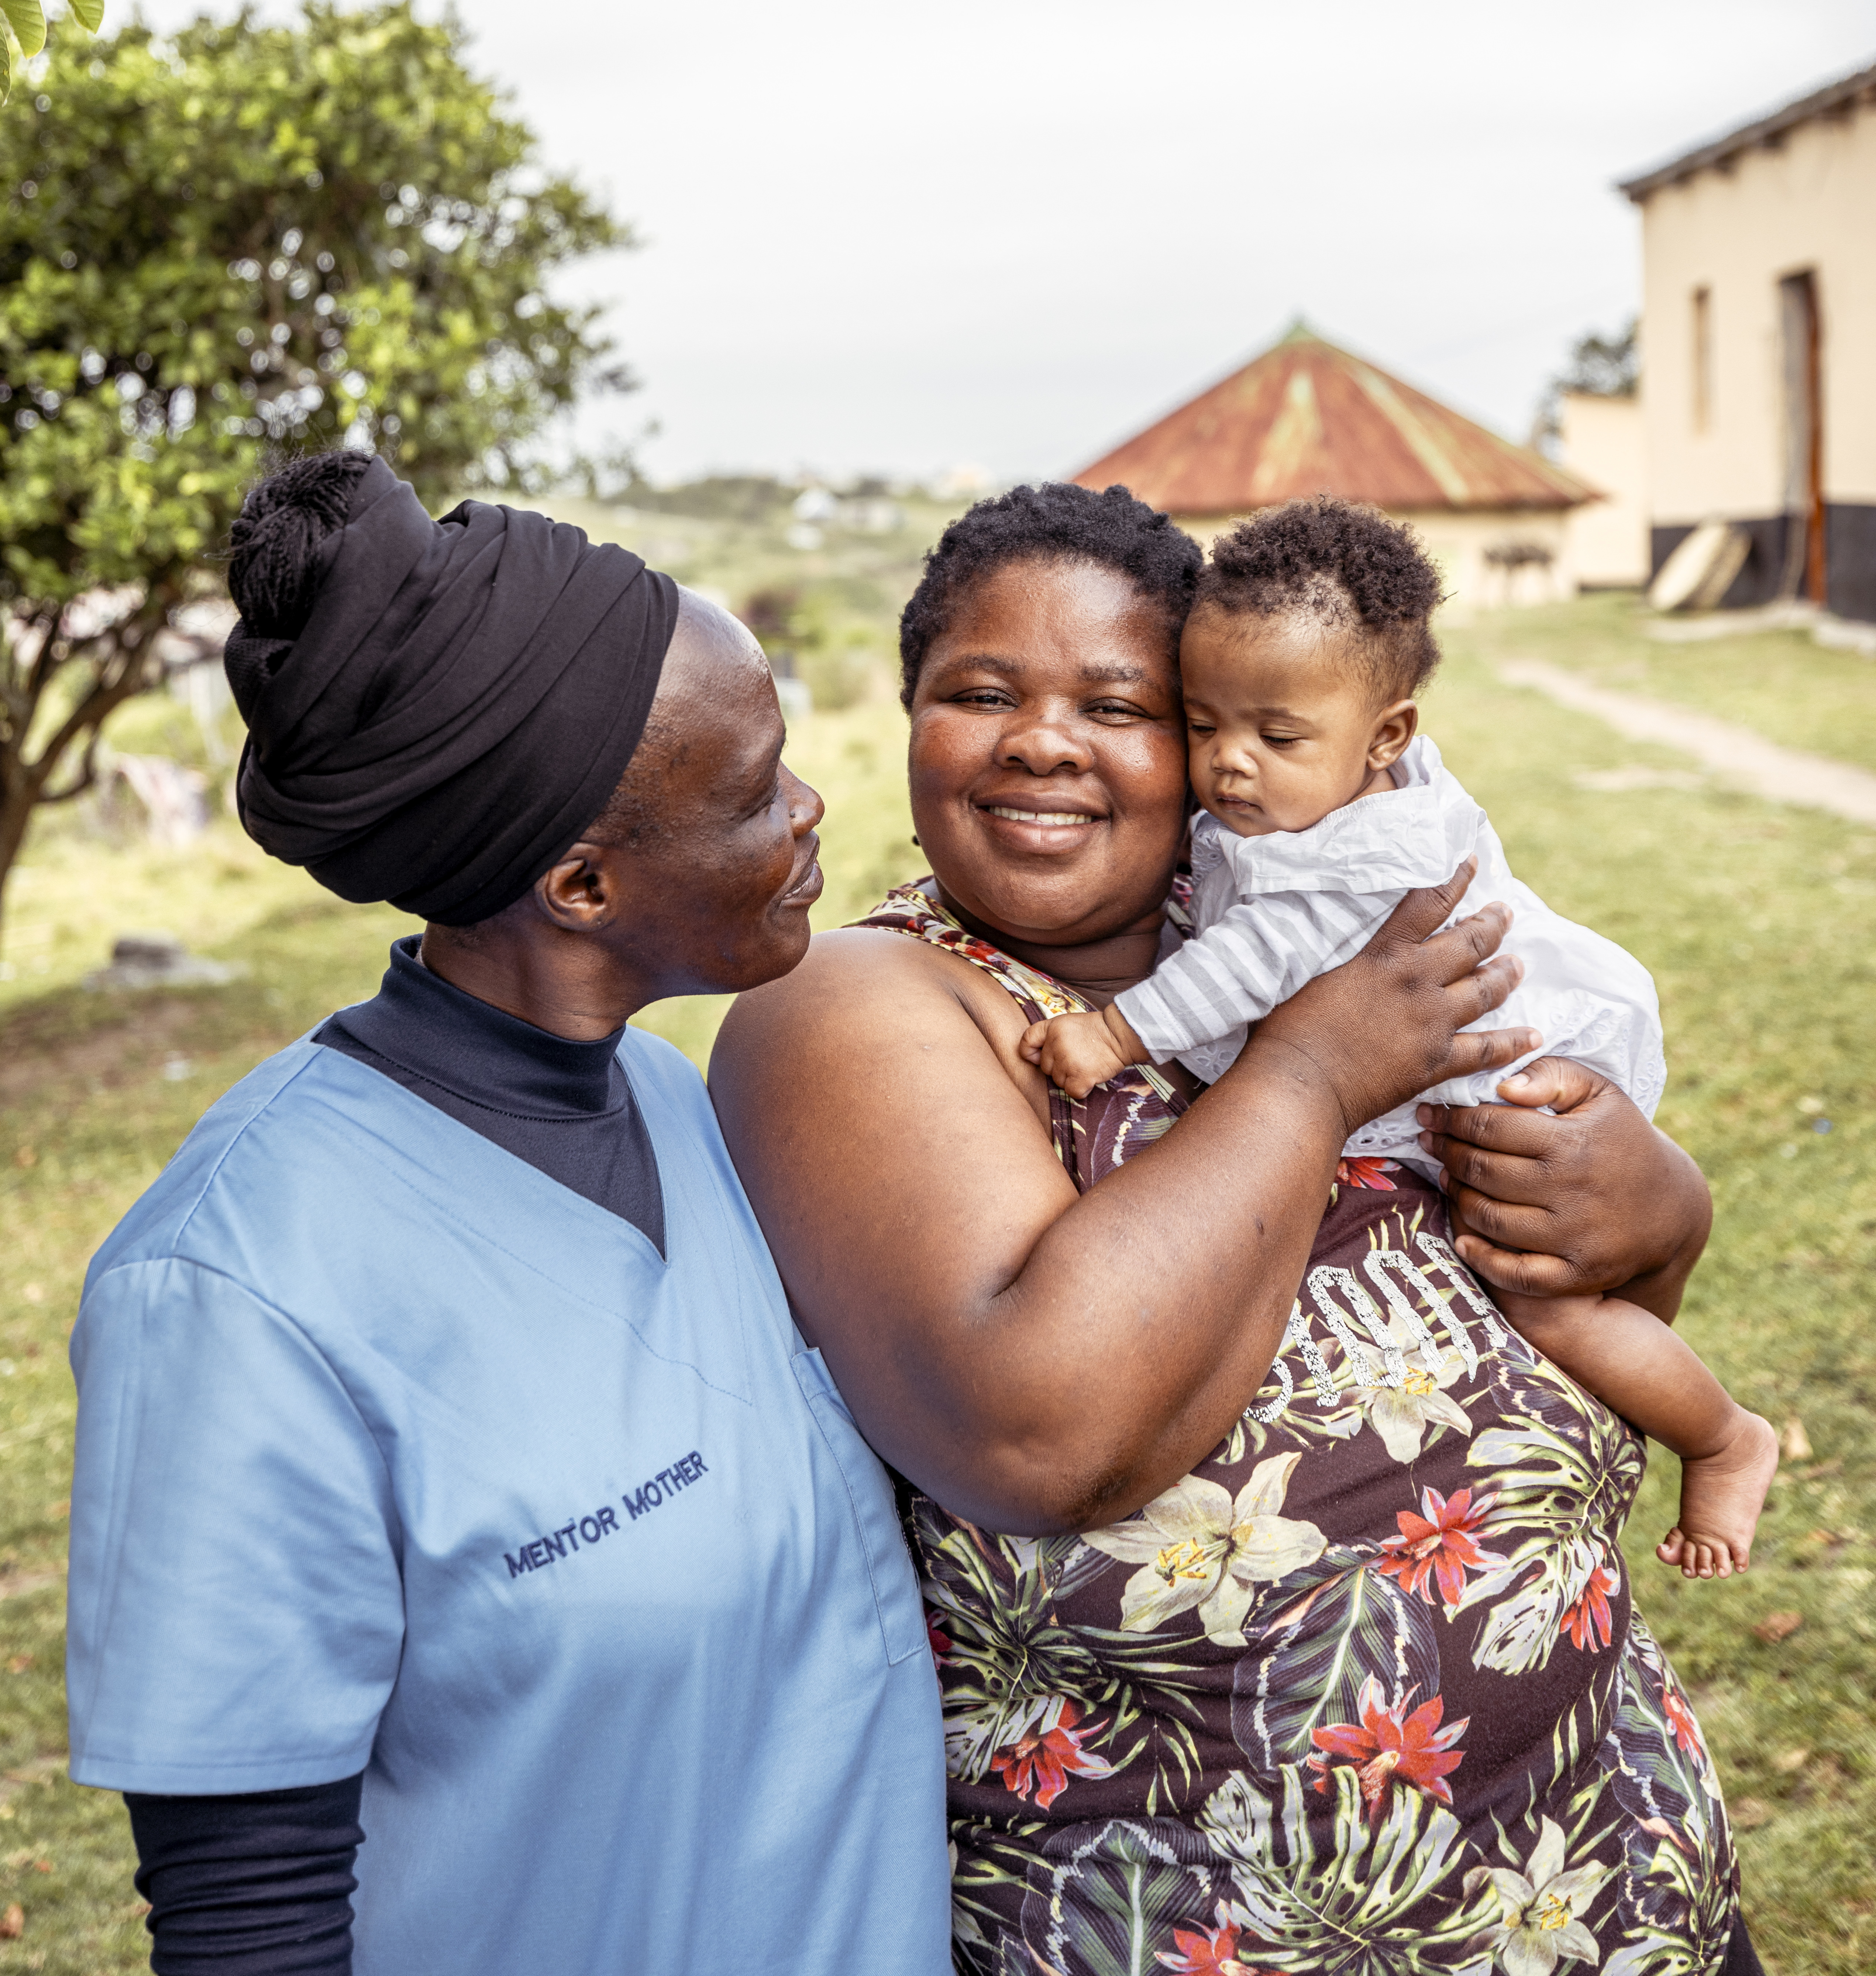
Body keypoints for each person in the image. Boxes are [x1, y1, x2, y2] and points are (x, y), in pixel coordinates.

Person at [712, 481, 1756, 1976]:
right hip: (1216, 1924)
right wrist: (1313, 1077)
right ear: (911, 716)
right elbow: (1045, 1434)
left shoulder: (1326, 926)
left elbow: (1591, 1316)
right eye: (980, 693)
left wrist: (1660, 1209)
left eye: (1119, 705)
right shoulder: (866, 1005)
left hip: (1608, 1868)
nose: (1041, 740)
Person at [63, 450, 950, 1976]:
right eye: (754, 790)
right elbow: (248, 1916)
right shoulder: (234, 1286)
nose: (812, 810)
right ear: (581, 886)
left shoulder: (677, 1103)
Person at [1019, 496, 1778, 1577]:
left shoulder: (1362, 856)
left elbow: (1249, 962)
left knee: (1553, 1312)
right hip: (1428, 1064)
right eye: (1203, 725)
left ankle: (1723, 1437)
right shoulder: (1320, 793)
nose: (1230, 764)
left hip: (1498, 1095)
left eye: (1277, 737)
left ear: (1388, 738)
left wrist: (1115, 1034)